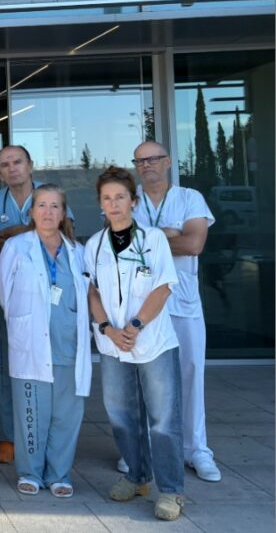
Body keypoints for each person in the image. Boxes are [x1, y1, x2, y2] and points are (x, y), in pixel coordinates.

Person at [85, 166, 185, 520]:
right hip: (113, 344)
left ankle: (171, 491)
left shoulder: (153, 239)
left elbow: (163, 287)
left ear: (134, 201)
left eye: (120, 197)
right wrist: (108, 329)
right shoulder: (93, 245)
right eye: (107, 199)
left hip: (152, 341)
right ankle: (139, 477)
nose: (114, 205)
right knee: (122, 416)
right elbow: (92, 291)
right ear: (101, 204)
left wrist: (136, 325)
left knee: (163, 420)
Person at [130, 141, 220, 483]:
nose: (147, 164)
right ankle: (145, 449)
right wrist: (169, 235)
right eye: (140, 160)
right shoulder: (130, 200)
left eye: (153, 158)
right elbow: (123, 247)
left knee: (190, 374)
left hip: (183, 303)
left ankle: (196, 450)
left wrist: (149, 241)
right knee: (142, 380)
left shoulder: (189, 198)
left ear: (167, 161)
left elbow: (194, 244)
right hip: (142, 304)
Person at [0, 184, 91, 498]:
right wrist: (24, 320)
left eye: (55, 206)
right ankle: (31, 472)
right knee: (31, 413)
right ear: (32, 211)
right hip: (31, 344)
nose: (48, 212)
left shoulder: (78, 252)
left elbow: (89, 294)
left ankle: (59, 474)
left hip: (68, 344)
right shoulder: (17, 247)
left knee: (66, 414)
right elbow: (2, 291)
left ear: (64, 213)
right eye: (42, 206)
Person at [0, 145, 74, 465]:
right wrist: (33, 232)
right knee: (7, 367)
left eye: (17, 162)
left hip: (50, 296)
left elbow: (63, 233)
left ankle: (45, 436)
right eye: (4, 164)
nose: (12, 168)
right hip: (6, 296)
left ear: (30, 164)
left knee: (51, 366)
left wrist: (12, 233)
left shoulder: (49, 195)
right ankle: (9, 437)